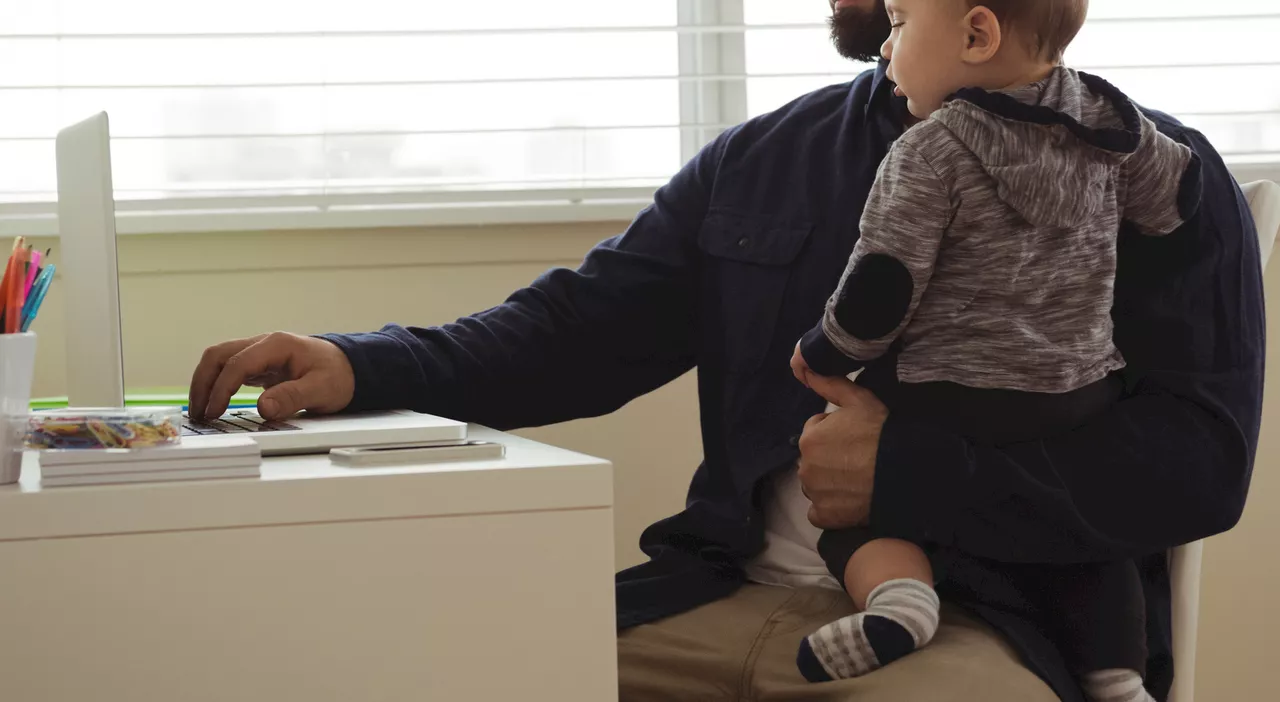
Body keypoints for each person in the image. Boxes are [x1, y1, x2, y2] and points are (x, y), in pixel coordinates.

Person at [187, 1, 1264, 700]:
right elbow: (575, 331)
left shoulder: (1142, 173)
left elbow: (1197, 466)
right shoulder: (763, 160)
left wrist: (916, 472)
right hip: (715, 597)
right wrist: (360, 365)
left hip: (994, 624)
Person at [788, 1, 1199, 699]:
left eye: (899, 22)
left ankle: (902, 600)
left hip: (952, 399)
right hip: (1076, 399)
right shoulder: (1112, 123)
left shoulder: (930, 149)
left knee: (856, 518)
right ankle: (1118, 674)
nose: (886, 50)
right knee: (1096, 549)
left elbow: (883, 288)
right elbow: (1173, 201)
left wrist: (824, 351)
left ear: (976, 34)